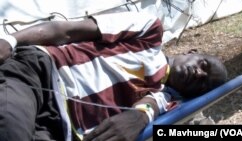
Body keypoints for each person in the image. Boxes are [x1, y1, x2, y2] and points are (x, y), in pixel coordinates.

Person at [0, 11, 227, 141]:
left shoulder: (164, 98)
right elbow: (64, 30)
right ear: (192, 52)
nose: (198, 73)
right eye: (203, 65)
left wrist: (141, 117)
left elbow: (148, 108)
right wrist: (11, 40)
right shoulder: (149, 32)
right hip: (37, 76)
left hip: (60, 128)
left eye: (203, 82)